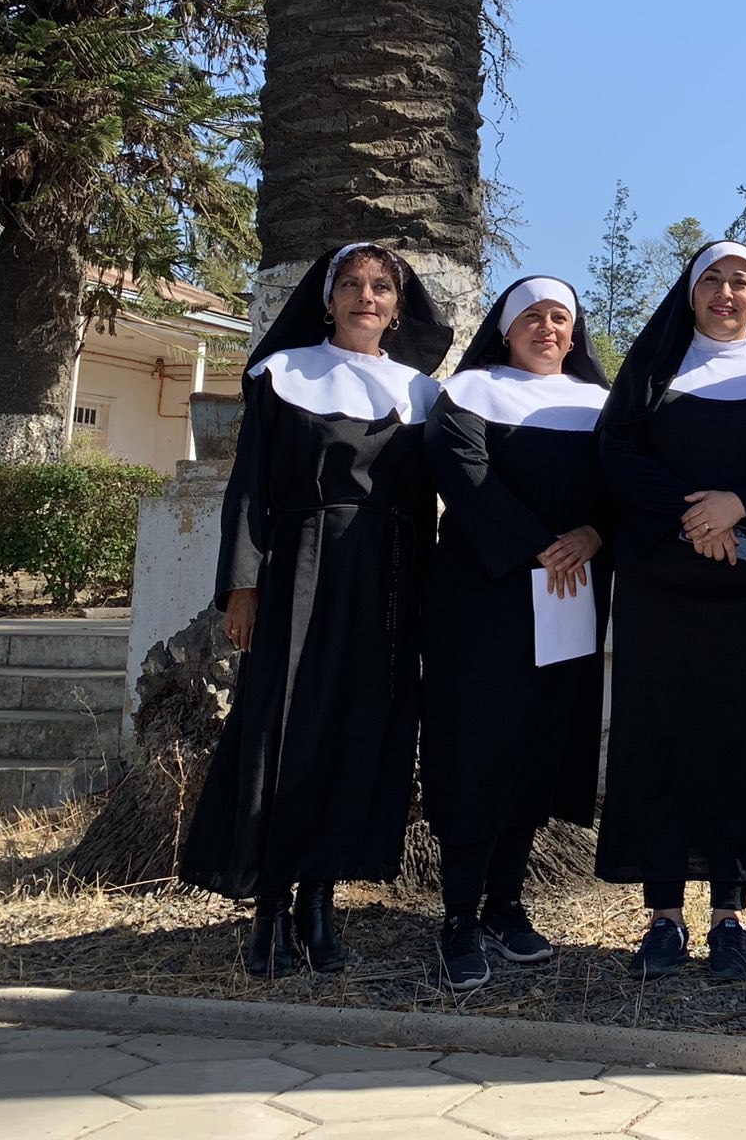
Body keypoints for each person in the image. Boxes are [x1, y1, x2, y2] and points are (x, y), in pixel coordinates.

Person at [180, 242, 451, 975]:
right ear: (327, 301)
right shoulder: (281, 374)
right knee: (283, 729)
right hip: (296, 570)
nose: (367, 296)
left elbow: (434, 501)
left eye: (382, 287)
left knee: (358, 731)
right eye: (353, 285)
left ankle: (320, 903)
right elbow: (250, 487)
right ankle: (269, 904)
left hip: (386, 583)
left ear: (398, 308)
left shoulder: (420, 394)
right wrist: (242, 586)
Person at [596, 241, 746, 982]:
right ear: (689, 292)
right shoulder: (651, 374)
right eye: (711, 278)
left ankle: (730, 917)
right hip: (661, 589)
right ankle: (665, 917)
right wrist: (694, 518)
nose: (725, 291)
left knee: (741, 744)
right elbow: (617, 456)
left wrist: (740, 505)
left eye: (741, 280)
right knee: (660, 740)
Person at [421, 275, 610, 991]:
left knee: (537, 748)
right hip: (484, 601)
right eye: (531, 316)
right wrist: (542, 545)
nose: (547, 328)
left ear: (575, 332)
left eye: (560, 317)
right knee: (477, 748)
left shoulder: (600, 405)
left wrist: (594, 535)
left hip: (568, 596)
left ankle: (505, 904)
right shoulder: (468, 394)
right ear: (504, 329)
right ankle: (457, 916)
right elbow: (466, 479)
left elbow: (623, 489)